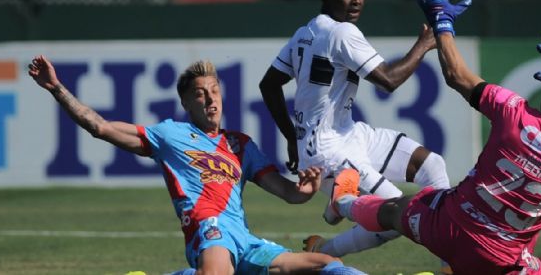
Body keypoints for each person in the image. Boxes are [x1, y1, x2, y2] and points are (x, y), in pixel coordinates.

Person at [327, 0, 541, 274]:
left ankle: (345, 202)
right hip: (501, 260)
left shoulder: (513, 113)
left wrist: (443, 24)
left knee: (393, 211)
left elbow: (456, 75)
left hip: (446, 226)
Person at [28, 56, 365, 275]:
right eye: (201, 93)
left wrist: (304, 190)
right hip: (209, 231)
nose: (210, 98)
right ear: (186, 102)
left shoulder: (240, 144)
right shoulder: (170, 135)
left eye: (215, 90)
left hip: (244, 241)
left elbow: (288, 193)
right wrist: (56, 88)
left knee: (328, 266)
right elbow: (99, 127)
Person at [259, 0, 452, 266]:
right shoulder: (342, 33)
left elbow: (269, 84)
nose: (356, 1)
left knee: (432, 165)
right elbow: (389, 80)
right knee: (399, 211)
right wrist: (424, 44)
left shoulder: (305, 32)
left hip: (349, 134)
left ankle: (449, 263)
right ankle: (329, 248)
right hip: (329, 152)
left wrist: (291, 136)